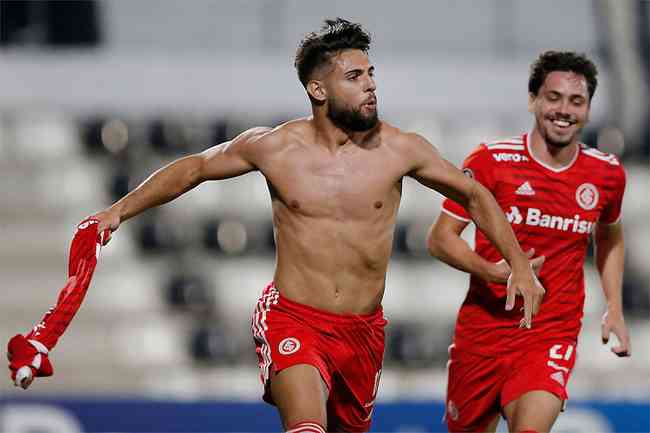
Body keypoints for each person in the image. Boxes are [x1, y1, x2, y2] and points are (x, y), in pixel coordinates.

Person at [92, 18, 542, 433]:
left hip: (364, 332)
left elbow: (474, 194)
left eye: (370, 75)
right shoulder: (274, 148)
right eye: (354, 77)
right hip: (294, 319)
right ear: (318, 89)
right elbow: (194, 168)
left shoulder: (401, 149)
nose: (370, 86)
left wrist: (518, 264)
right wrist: (118, 211)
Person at [427, 51, 631, 433]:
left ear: (588, 109)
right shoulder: (491, 161)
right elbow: (439, 239)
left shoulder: (606, 174)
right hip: (482, 333)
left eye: (576, 101)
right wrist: (491, 270)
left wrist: (614, 307)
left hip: (550, 333)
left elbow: (610, 236)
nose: (564, 110)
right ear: (532, 100)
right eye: (553, 97)